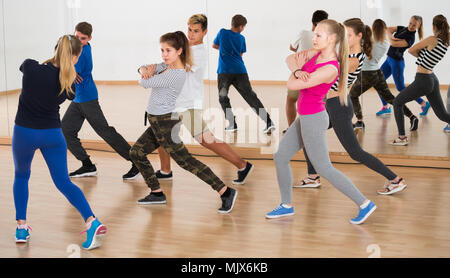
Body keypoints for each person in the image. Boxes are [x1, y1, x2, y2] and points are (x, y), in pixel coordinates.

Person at [266, 19, 376, 224]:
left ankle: (364, 203)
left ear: (332, 38)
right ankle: (286, 205)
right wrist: (298, 69)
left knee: (324, 168)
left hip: (314, 119)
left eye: (318, 35)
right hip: (305, 117)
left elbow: (292, 84)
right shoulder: (315, 54)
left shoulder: (331, 68)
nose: (313, 38)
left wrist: (295, 74)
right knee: (280, 156)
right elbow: (290, 59)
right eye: (314, 34)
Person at [12, 35, 106, 250]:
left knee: (21, 176)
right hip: (52, 135)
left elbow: (32, 66)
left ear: (55, 49)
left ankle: (21, 227)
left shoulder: (30, 67)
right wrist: (70, 69)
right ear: (75, 57)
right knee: (64, 182)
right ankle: (92, 221)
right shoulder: (69, 82)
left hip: (25, 133)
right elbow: (65, 80)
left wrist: (53, 60)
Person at [131, 31, 238, 214]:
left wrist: (146, 73)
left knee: (186, 161)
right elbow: (143, 69)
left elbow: (143, 82)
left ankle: (225, 191)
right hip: (157, 122)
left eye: (168, 50)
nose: (164, 54)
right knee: (136, 152)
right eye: (162, 50)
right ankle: (156, 193)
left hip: (166, 123)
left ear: (179, 51)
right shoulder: (165, 67)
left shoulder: (176, 74)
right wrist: (144, 69)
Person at [298, 18, 408, 195]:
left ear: (359, 36)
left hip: (338, 107)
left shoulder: (355, 59)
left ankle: (395, 179)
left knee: (355, 152)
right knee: (306, 133)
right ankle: (312, 176)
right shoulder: (345, 54)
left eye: (349, 35)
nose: (345, 38)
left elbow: (327, 71)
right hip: (328, 105)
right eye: (343, 34)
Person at [153, 14, 254, 185]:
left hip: (188, 104)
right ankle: (165, 170)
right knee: (162, 135)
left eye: (196, 31)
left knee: (206, 139)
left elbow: (178, 68)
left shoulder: (198, 53)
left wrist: (156, 69)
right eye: (190, 30)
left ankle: (243, 165)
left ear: (205, 32)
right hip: (174, 102)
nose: (191, 34)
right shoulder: (185, 49)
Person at [61, 22, 139, 180]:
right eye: (76, 36)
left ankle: (137, 162)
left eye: (83, 38)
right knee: (66, 130)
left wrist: (68, 68)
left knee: (105, 132)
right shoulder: (74, 42)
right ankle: (87, 165)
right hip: (78, 99)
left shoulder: (83, 53)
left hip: (88, 99)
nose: (79, 40)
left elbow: (67, 70)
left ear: (89, 38)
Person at [350, 19, 418, 131]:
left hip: (366, 74)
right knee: (391, 98)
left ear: (374, 28)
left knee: (352, 95)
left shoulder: (367, 41)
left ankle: (359, 121)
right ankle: (412, 116)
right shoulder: (385, 43)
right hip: (377, 73)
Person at [391, 15, 449, 146]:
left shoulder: (432, 39)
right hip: (433, 78)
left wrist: (421, 54)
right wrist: (424, 54)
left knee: (397, 102)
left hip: (423, 79)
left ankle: (401, 137)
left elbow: (411, 50)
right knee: (442, 114)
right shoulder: (446, 42)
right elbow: (428, 56)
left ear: (434, 26)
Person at [212, 14, 275, 134]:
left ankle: (232, 124)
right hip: (240, 71)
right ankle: (268, 122)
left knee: (223, 98)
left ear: (232, 23)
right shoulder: (241, 38)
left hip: (224, 72)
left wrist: (224, 49)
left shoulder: (222, 32)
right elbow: (240, 55)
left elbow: (214, 45)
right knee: (251, 97)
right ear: (241, 27)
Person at [375, 16, 430, 117]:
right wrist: (391, 37)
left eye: (414, 25)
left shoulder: (410, 38)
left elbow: (392, 43)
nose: (411, 26)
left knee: (400, 87)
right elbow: (387, 29)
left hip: (397, 63)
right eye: (410, 23)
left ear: (418, 27)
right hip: (389, 60)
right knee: (378, 82)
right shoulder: (402, 28)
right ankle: (386, 107)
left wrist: (391, 38)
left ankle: (424, 103)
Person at [284, 10, 329, 133]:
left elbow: (292, 48)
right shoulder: (326, 38)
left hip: (300, 73)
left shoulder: (303, 33)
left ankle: (291, 128)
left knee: (291, 100)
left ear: (312, 20)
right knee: (318, 103)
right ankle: (314, 129)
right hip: (318, 75)